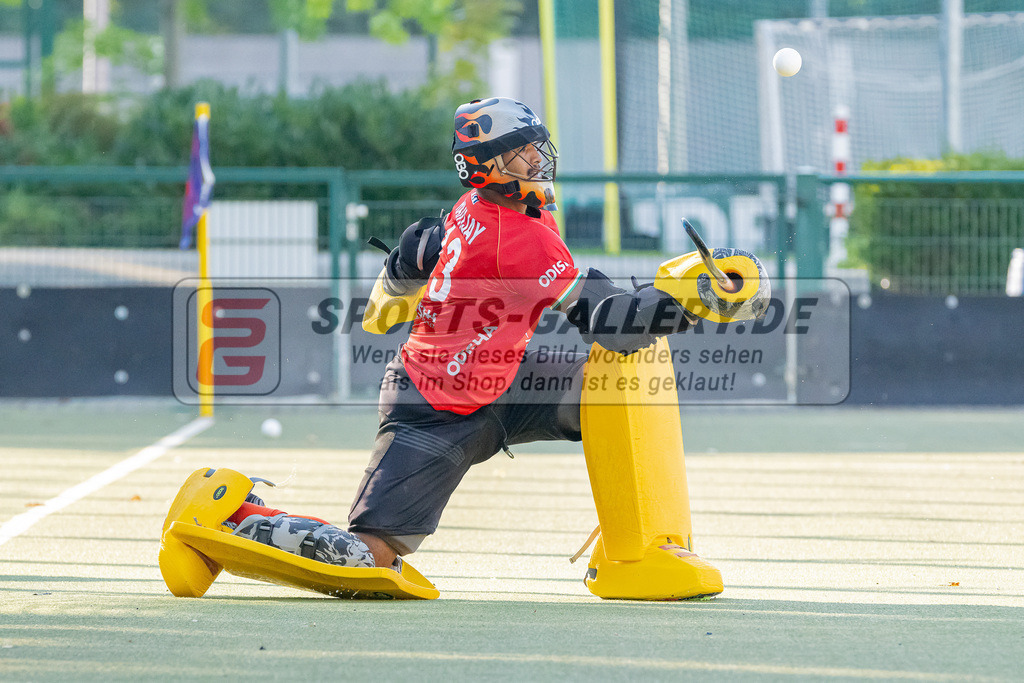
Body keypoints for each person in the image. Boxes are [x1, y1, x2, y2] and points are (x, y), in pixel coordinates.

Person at [344, 97, 698, 568]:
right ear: (486, 165)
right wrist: (694, 299)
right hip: (434, 405)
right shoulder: (516, 236)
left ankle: (639, 551)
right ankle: (244, 521)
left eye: (536, 145)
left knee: (613, 386)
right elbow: (611, 323)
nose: (536, 157)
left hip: (502, 379)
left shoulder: (487, 205)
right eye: (521, 149)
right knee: (371, 555)